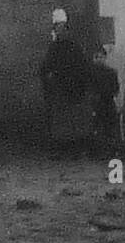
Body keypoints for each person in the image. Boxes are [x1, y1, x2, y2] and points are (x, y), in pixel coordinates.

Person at [37, 8, 92, 155]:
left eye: (62, 29)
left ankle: (74, 147)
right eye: (58, 29)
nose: (60, 32)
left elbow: (81, 66)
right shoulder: (54, 47)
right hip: (60, 87)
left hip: (72, 86)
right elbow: (47, 65)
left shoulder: (74, 46)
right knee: (61, 120)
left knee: (72, 119)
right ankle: (61, 147)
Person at [88, 46, 120, 147]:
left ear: (105, 58)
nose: (98, 59)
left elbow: (115, 88)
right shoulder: (90, 73)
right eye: (96, 57)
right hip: (95, 102)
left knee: (109, 126)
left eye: (101, 57)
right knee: (96, 125)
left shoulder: (111, 72)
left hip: (107, 102)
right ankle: (97, 147)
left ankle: (110, 148)